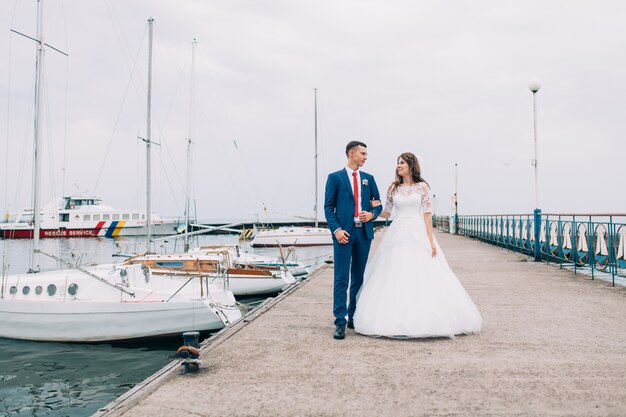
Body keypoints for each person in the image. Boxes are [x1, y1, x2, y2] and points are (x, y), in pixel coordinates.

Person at [353, 152, 482, 338]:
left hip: (416, 229)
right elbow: (387, 213)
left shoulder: (422, 187)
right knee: (394, 270)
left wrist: (430, 239)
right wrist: (374, 209)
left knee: (421, 270)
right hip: (397, 231)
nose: (398, 165)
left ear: (411, 165)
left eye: (402, 163)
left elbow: (427, 213)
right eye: (397, 162)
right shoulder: (393, 187)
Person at [324, 141, 383, 340]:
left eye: (366, 154)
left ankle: (353, 316)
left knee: (358, 277)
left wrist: (372, 215)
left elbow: (378, 204)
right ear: (352, 153)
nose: (366, 157)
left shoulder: (369, 178)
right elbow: (328, 207)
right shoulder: (335, 178)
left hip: (363, 234)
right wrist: (337, 230)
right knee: (341, 279)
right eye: (363, 153)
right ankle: (340, 321)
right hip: (344, 234)